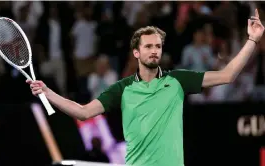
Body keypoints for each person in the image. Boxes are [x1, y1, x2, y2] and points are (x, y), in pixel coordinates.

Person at [27, 9, 264, 166]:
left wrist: (252, 40)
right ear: (136, 52)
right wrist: (48, 92)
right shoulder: (122, 88)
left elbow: (228, 75)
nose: (154, 51)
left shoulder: (178, 80)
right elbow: (83, 112)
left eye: (158, 46)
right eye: (148, 46)